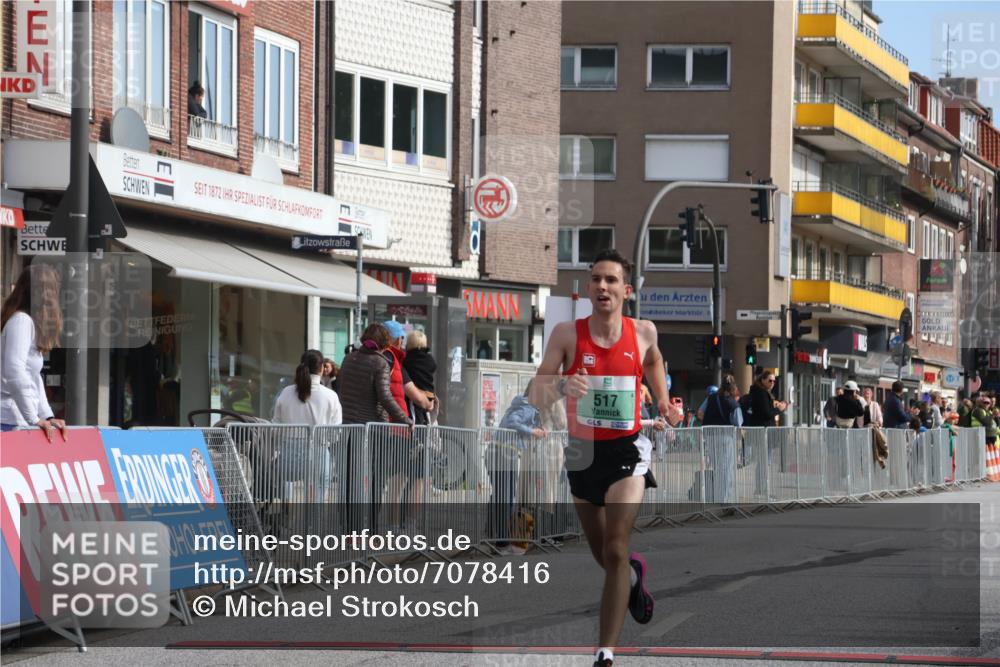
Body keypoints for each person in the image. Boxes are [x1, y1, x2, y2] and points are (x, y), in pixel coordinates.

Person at [529, 249, 683, 667]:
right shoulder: (566, 334)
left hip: (626, 449)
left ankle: (605, 652)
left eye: (611, 280)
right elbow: (535, 394)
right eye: (596, 279)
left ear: (626, 290)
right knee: (603, 554)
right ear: (588, 287)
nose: (602, 286)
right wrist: (563, 386)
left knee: (616, 548)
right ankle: (632, 577)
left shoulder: (643, 332)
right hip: (582, 453)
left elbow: (654, 360)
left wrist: (664, 401)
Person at [337, 324, 413, 532]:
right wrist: (405, 419)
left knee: (350, 479)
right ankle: (371, 530)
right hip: (374, 429)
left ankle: (349, 530)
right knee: (376, 479)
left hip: (349, 426)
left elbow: (340, 388)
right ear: (384, 343)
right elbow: (385, 397)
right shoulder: (380, 362)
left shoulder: (348, 359)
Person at [1, 264, 67, 440]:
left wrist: (47, 416)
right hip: (8, 420)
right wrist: (34, 418)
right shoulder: (21, 322)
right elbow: (14, 371)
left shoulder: (26, 322)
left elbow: (33, 377)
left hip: (15, 419)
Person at [272, 349, 342, 502]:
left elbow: (276, 425)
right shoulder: (331, 396)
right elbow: (335, 433)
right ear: (322, 367)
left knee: (285, 484)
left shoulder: (286, 392)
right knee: (317, 498)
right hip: (318, 451)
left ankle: (287, 512)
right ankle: (312, 517)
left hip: (289, 452)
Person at [403, 330, 437, 426]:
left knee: (416, 417)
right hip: (430, 393)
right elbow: (434, 366)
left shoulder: (409, 360)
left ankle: (417, 432)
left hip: (416, 393)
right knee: (425, 418)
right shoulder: (429, 359)